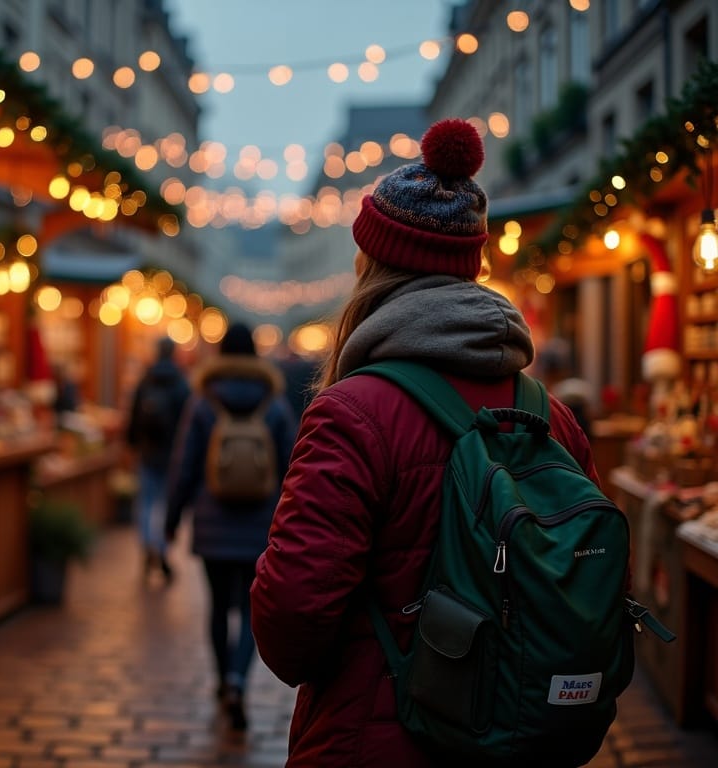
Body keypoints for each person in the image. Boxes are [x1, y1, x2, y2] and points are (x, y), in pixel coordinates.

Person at [250, 119, 601, 766]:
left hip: (376, 737)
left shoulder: (351, 414)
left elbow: (291, 623)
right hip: (522, 736)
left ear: (372, 266)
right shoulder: (550, 414)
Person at [165, 322, 297, 731]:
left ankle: (223, 681)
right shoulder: (273, 403)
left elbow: (185, 464)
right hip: (259, 525)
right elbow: (293, 465)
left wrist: (172, 517)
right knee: (253, 608)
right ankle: (239, 679)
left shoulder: (204, 400)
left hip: (212, 522)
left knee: (219, 607)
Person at [125, 336, 190, 583]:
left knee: (146, 502)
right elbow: (187, 422)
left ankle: (147, 546)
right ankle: (161, 548)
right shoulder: (181, 383)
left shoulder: (146, 380)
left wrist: (132, 443)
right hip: (172, 455)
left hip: (148, 452)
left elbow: (133, 416)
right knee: (165, 505)